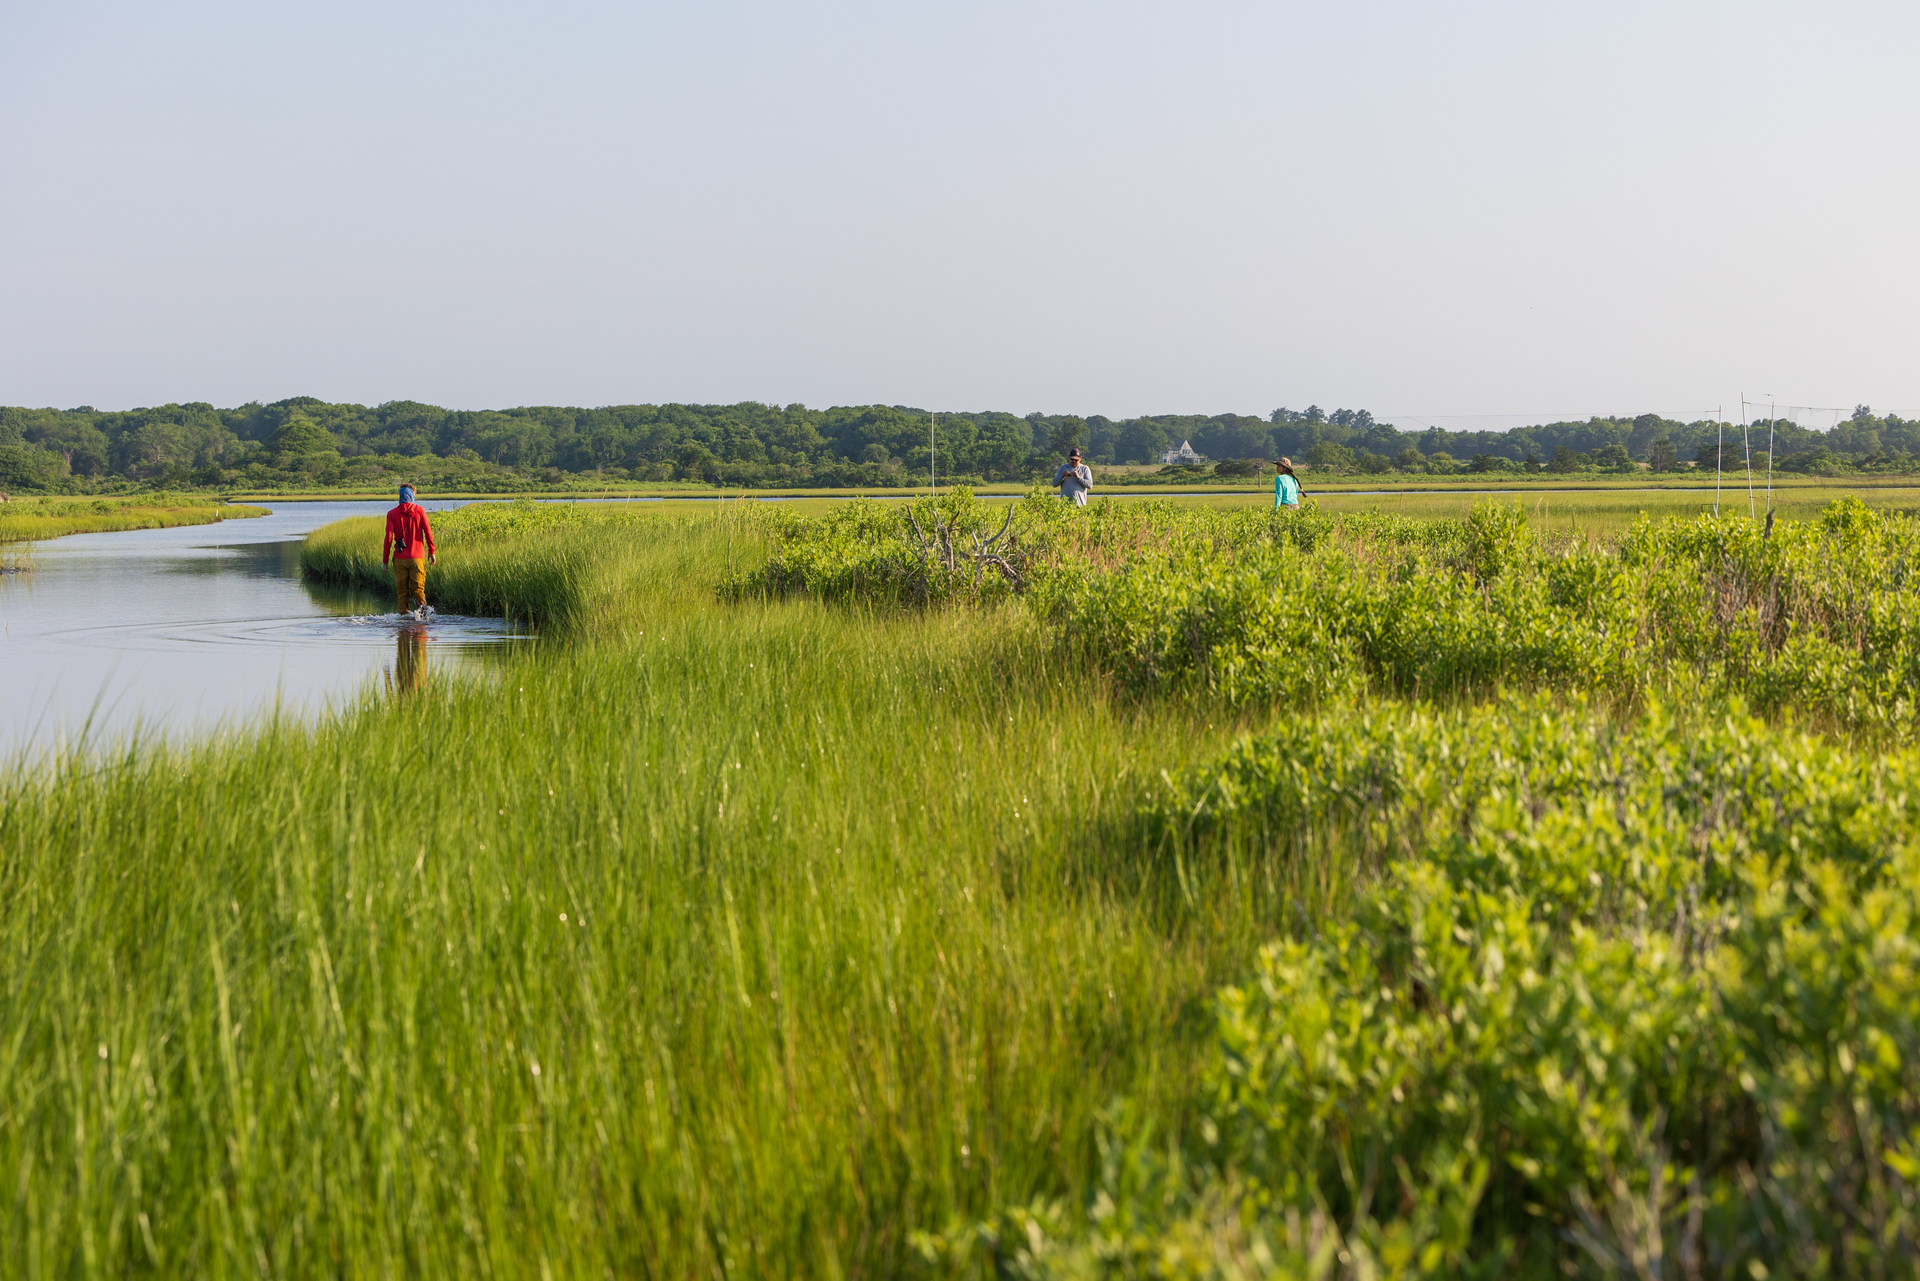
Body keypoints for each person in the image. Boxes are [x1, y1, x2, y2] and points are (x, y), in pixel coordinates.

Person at [383, 484, 437, 615]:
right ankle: (423, 619)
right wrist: (432, 551)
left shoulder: (391, 513)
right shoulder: (420, 510)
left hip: (399, 559)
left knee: (402, 593)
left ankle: (404, 625)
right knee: (418, 590)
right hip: (417, 558)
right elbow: (428, 533)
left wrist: (385, 560)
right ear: (412, 496)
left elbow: (388, 538)